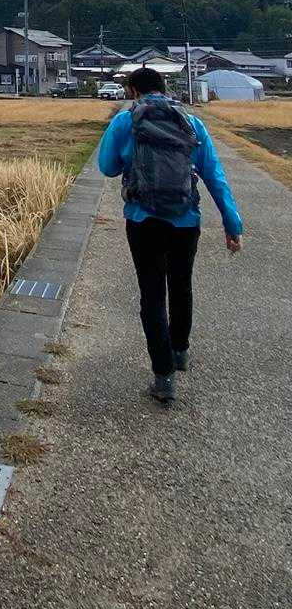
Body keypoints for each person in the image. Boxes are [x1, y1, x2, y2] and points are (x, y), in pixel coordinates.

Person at [97, 67, 243, 404]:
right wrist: (232, 223)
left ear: (133, 91)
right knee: (181, 284)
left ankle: (163, 378)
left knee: (152, 294)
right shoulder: (192, 123)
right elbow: (214, 175)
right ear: (164, 88)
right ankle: (179, 351)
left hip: (143, 220)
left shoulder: (125, 121)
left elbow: (107, 167)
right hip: (185, 220)